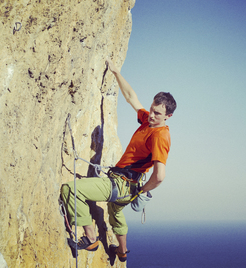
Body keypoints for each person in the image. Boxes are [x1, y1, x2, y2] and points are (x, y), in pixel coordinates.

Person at [60, 59, 177, 263]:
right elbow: (131, 97)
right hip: (126, 186)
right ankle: (122, 252)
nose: (151, 116)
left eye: (157, 114)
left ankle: (90, 238)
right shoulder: (147, 121)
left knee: (71, 189)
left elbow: (160, 176)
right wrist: (116, 73)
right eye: (152, 110)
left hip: (122, 185)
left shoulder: (160, 136)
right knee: (115, 212)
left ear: (168, 116)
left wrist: (140, 191)